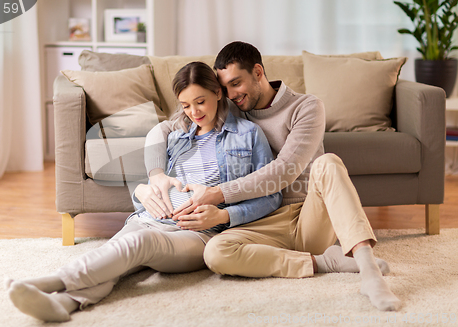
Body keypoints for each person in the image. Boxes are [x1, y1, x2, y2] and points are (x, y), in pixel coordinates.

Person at [5, 61, 282, 322]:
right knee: (115, 259)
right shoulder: (175, 138)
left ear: (218, 93)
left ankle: (52, 281)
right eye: (186, 105)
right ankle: (62, 304)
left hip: (196, 234)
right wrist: (142, 191)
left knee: (137, 245)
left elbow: (271, 196)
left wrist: (223, 217)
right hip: (149, 218)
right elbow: (149, 184)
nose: (194, 112)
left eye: (201, 102)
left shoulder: (248, 134)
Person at [144, 42, 401, 311]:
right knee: (216, 253)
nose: (231, 95)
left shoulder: (307, 106)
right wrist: (156, 175)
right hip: (262, 219)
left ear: (257, 72)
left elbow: (285, 170)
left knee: (328, 163)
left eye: (236, 83)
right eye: (225, 88)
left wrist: (218, 193)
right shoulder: (231, 107)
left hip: (308, 216)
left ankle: (369, 272)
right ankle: (321, 262)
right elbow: (162, 130)